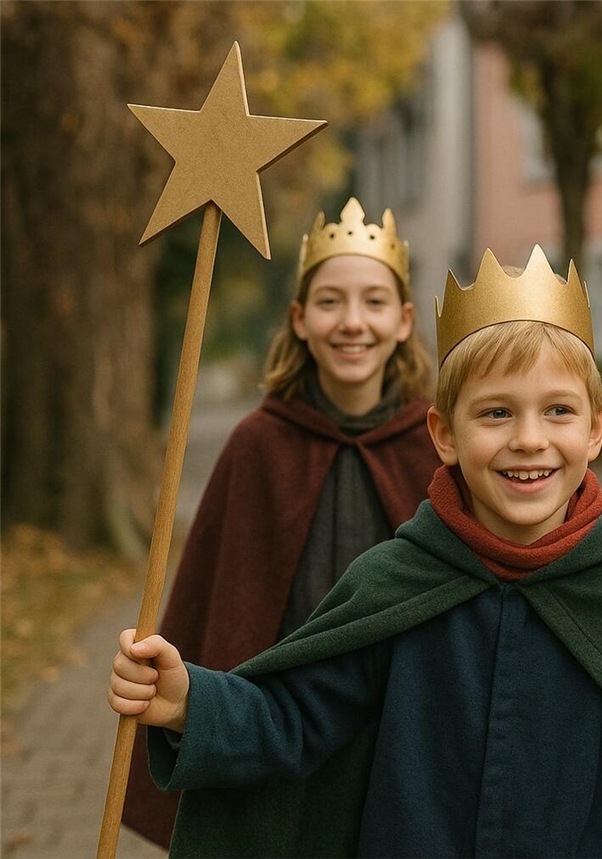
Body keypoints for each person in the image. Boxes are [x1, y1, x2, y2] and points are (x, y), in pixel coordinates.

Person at [109, 245, 602, 858]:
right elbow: (297, 718)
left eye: (557, 411)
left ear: (596, 427)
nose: (528, 439)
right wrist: (192, 702)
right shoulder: (393, 580)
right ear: (443, 432)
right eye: (495, 413)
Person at [122, 198, 442, 848]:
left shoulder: (439, 447)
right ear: (299, 318)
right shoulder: (258, 444)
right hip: (278, 739)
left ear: (405, 320)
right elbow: (215, 606)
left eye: (375, 302)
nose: (353, 322)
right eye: (330, 302)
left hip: (404, 740)